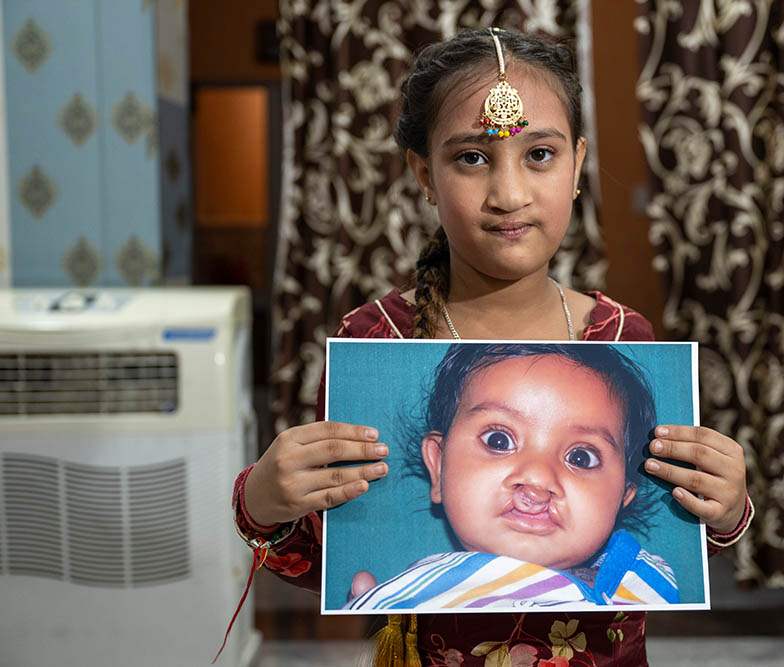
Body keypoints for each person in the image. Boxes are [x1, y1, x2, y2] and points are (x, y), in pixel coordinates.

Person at [233, 27, 752, 666]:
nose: (509, 194)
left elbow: (679, 538)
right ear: (424, 174)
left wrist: (726, 510)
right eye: (473, 158)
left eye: (539, 154)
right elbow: (329, 558)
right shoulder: (377, 341)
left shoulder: (624, 340)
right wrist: (261, 499)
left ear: (578, 166)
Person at [344, 342, 681, 610]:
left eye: (581, 457)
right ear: (439, 465)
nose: (536, 478)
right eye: (499, 440)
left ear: (623, 495)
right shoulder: (415, 592)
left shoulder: (640, 580)